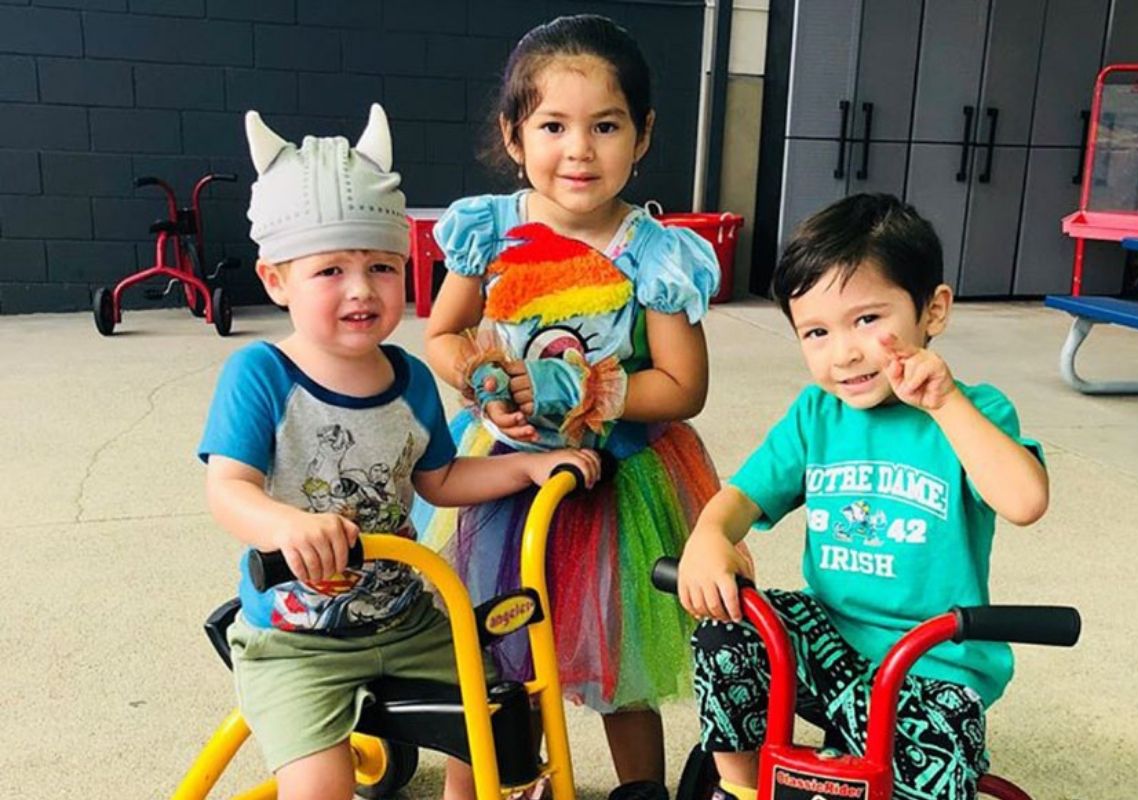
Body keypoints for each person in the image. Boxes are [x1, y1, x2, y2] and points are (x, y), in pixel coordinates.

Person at [198, 104, 599, 800]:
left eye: (382, 267)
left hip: (406, 617)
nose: (362, 289)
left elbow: (440, 478)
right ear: (275, 281)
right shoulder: (261, 375)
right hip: (298, 642)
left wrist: (527, 465)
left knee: (498, 710)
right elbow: (228, 487)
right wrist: (289, 526)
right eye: (330, 271)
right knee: (318, 787)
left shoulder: (409, 377)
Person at [419, 15, 727, 800]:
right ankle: (485, 780)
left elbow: (683, 385)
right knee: (492, 643)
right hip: (508, 474)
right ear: (514, 136)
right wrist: (479, 374)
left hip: (616, 483)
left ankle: (639, 790)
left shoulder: (650, 251)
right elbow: (443, 331)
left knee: (620, 651)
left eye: (606, 125)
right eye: (553, 125)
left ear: (644, 134)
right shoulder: (490, 232)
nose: (579, 149)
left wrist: (598, 389)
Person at [675, 193, 1050, 800]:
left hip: (933, 662)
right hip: (828, 646)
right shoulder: (817, 415)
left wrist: (946, 405)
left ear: (934, 309)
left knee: (933, 747)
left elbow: (1025, 500)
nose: (843, 352)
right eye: (817, 332)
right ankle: (739, 788)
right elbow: (740, 497)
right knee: (731, 626)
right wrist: (710, 537)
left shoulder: (976, 412)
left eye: (868, 321)